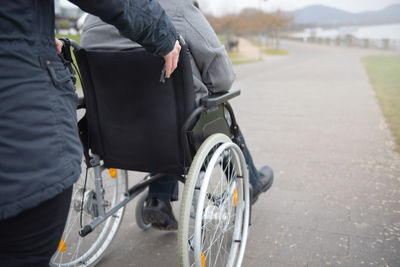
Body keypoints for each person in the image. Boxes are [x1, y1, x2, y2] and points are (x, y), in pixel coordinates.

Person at [0, 0, 181, 266]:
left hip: (109, 129)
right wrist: (162, 34)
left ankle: (160, 196)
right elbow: (219, 73)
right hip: (24, 123)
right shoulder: (183, 12)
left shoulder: (90, 26)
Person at [81, 0, 274, 231]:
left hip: (111, 134)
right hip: (173, 132)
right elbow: (221, 75)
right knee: (213, 113)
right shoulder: (179, 8)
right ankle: (250, 183)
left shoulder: (93, 16)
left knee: (164, 111)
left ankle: (158, 198)